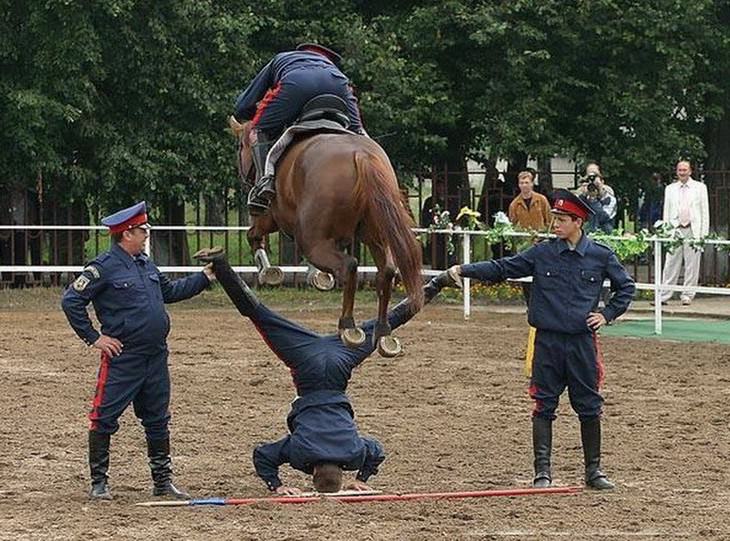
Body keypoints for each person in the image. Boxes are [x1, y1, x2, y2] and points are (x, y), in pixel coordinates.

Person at [193, 247, 441, 495]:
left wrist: (363, 477)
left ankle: (437, 284)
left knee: (386, 322)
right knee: (260, 315)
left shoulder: (354, 454)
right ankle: (222, 264)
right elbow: (262, 455)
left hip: (341, 362)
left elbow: (376, 450)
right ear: (312, 474)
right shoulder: (299, 454)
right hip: (305, 364)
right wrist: (276, 486)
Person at [437, 189, 635, 490]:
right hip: (547, 342)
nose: (554, 224)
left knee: (589, 406)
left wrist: (607, 315)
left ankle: (593, 472)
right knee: (543, 405)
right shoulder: (542, 252)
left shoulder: (601, 255)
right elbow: (503, 268)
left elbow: (626, 288)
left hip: (582, 344)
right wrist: (463, 270)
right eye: (554, 218)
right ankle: (542, 472)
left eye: (561, 219)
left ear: (577, 222)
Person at [61, 202, 215, 500]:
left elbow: (169, 293)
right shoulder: (102, 267)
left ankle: (162, 482)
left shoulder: (146, 264)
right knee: (104, 416)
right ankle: (99, 484)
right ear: (126, 233)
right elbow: (71, 301)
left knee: (158, 419)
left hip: (155, 355)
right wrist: (94, 338)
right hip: (124, 357)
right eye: (143, 230)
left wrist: (204, 277)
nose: (146, 234)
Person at [233, 43, 365, 214]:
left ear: (301, 52)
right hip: (338, 85)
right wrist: (357, 127)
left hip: (297, 82)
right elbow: (353, 110)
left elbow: (248, 100)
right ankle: (387, 178)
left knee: (256, 132)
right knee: (360, 135)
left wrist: (245, 112)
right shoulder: (332, 67)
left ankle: (265, 182)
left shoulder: (283, 58)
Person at [658, 160, 710, 305]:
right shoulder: (670, 188)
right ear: (677, 172)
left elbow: (705, 212)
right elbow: (666, 212)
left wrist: (703, 234)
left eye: (684, 170)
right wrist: (667, 231)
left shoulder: (700, 187)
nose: (682, 172)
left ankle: (687, 295)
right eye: (680, 170)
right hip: (675, 229)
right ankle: (664, 295)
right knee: (670, 263)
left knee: (692, 264)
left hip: (693, 230)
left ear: (690, 171)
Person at [507, 170, 551, 305]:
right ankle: (529, 304)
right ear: (519, 185)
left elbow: (549, 220)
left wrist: (546, 236)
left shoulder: (541, 200)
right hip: (524, 244)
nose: (524, 185)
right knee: (525, 275)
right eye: (522, 183)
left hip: (541, 241)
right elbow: (512, 225)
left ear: (532, 184)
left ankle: (544, 303)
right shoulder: (515, 204)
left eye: (527, 182)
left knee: (543, 274)